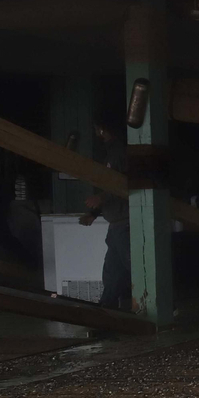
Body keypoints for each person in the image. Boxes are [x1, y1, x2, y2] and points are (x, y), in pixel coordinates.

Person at [80, 120, 131, 310]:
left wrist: (101, 198)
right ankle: (107, 306)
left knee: (132, 266)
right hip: (117, 223)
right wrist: (94, 213)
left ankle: (162, 302)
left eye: (96, 128)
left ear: (103, 128)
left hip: (125, 221)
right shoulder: (112, 153)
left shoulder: (120, 152)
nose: (96, 133)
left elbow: (125, 185)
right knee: (113, 268)